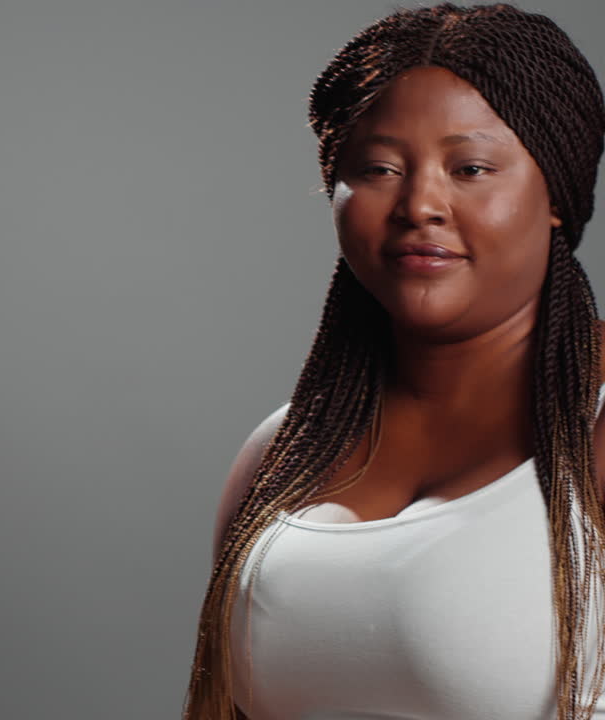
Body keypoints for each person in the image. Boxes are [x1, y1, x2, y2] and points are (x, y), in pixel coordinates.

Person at [185, 4, 605, 719]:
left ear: (555, 195)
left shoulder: (593, 430)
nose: (421, 204)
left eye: (470, 167)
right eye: (378, 168)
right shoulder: (281, 454)